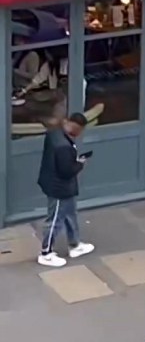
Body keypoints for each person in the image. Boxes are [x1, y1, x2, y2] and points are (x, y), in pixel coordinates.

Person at [37, 112, 93, 268]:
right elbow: (66, 171)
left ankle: (75, 245)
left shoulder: (55, 134)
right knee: (54, 220)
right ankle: (45, 253)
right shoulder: (64, 146)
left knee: (69, 214)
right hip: (59, 188)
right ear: (78, 128)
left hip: (56, 184)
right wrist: (80, 163)